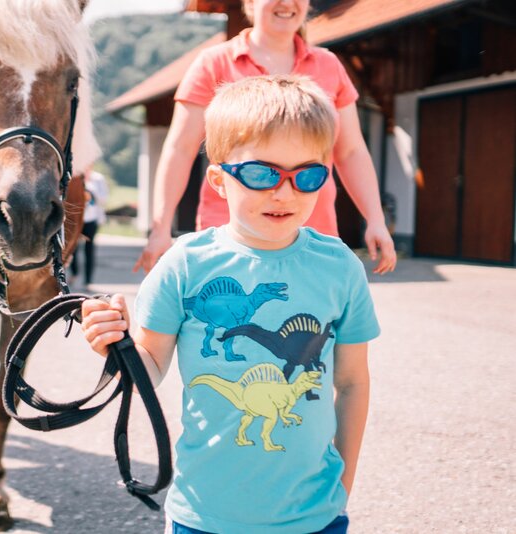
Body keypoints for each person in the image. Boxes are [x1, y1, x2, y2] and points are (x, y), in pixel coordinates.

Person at [82, 75, 378, 533]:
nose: (284, 193)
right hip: (204, 515)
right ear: (219, 180)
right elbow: (148, 368)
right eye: (262, 174)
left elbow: (353, 382)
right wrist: (113, 345)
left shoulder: (340, 267)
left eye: (307, 175)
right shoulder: (184, 264)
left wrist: (345, 481)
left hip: (316, 515)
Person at [134, 0, 396, 276]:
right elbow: (180, 148)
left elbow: (351, 151)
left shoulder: (329, 65)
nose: (286, 3)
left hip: (311, 230)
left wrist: (375, 219)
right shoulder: (214, 63)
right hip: (231, 235)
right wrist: (161, 227)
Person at [70, 169, 109, 288]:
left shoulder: (98, 179)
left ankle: (88, 279)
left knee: (89, 250)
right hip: (76, 220)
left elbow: (104, 199)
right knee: (72, 248)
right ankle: (74, 273)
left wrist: (91, 189)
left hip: (91, 220)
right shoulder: (74, 176)